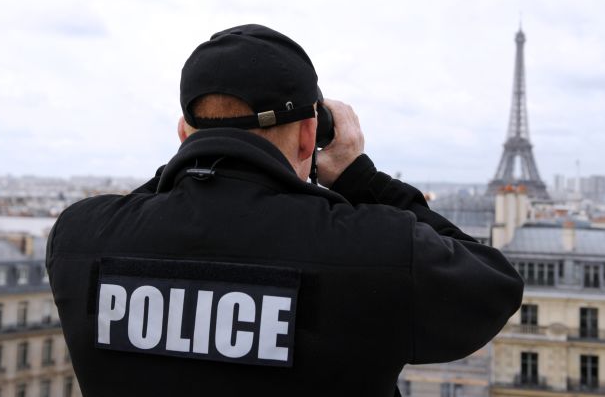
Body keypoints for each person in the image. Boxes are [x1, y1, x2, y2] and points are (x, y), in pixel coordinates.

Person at [46, 24, 523, 397]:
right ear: (311, 136)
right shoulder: (376, 251)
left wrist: (193, 156)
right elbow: (493, 287)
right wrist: (360, 177)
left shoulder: (79, 239)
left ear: (182, 132)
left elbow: (150, 203)